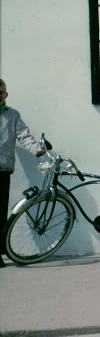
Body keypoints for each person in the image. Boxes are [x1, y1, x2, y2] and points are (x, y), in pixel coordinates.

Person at [0, 78, 44, 268]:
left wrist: (37, 150)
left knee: (1, 212)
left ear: (6, 95)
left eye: (1, 92)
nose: (0, 95)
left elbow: (24, 135)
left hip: (3, 168)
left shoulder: (13, 115)